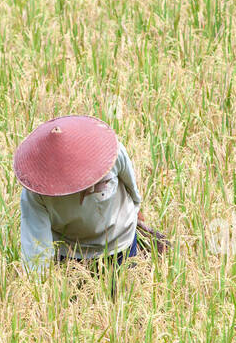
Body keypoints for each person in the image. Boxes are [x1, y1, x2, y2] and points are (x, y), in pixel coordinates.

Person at [14, 115, 166, 273]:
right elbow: (36, 250)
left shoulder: (112, 153)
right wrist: (38, 289)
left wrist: (136, 210)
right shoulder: (36, 192)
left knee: (124, 294)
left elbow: (131, 188)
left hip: (120, 242)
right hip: (71, 254)